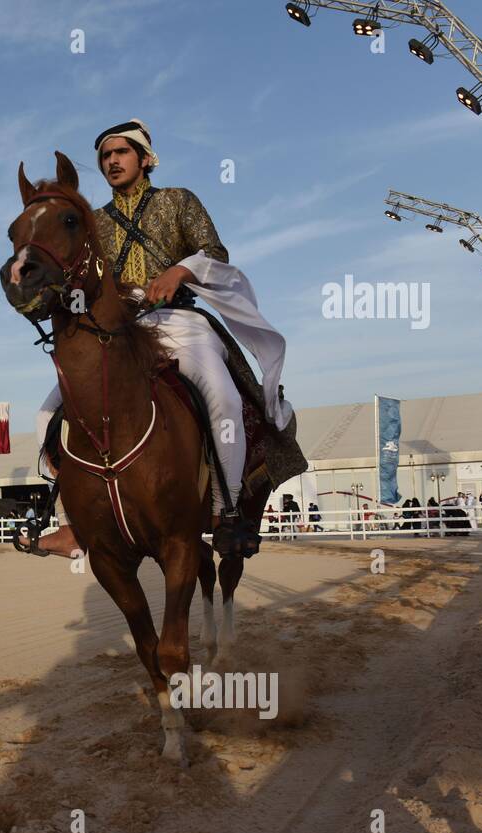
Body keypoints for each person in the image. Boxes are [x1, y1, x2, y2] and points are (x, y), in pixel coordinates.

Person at [25, 118, 294, 561]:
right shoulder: (93, 222)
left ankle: (226, 512)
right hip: (117, 333)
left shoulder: (178, 200)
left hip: (178, 322)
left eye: (121, 152)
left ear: (146, 158)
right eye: (105, 156)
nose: (112, 161)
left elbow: (215, 252)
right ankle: (71, 525)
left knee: (224, 400)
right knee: (46, 414)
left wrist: (181, 270)